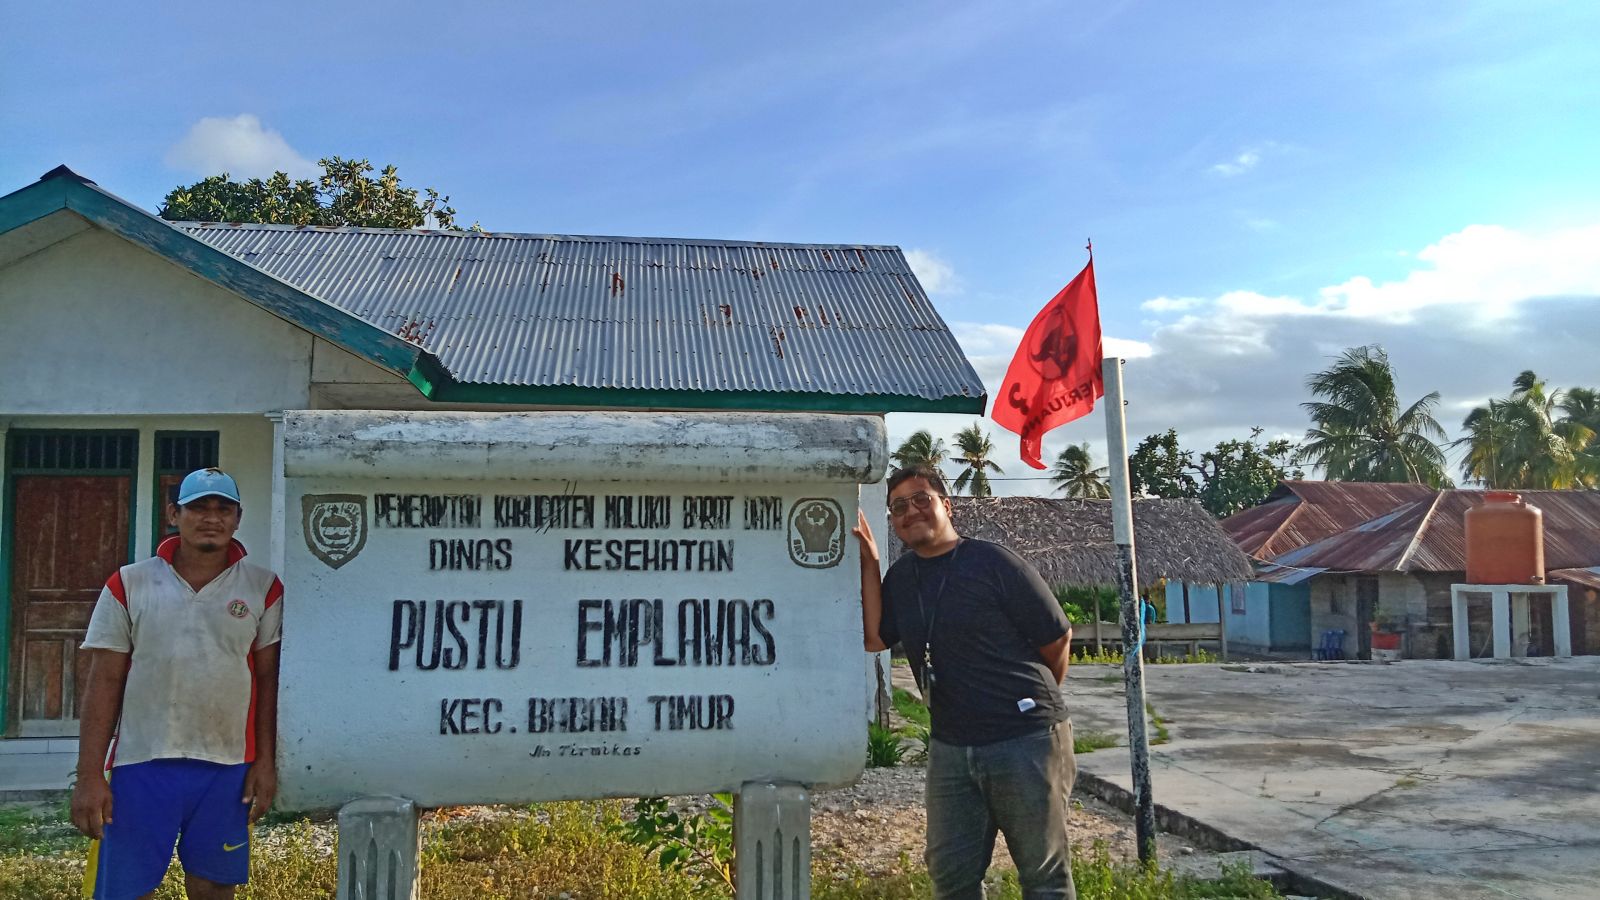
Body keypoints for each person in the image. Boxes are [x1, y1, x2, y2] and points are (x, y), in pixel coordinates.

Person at [855, 464, 1076, 900]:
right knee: (951, 876)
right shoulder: (901, 579)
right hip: (951, 748)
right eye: (898, 506)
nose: (911, 511)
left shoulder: (993, 562)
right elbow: (875, 638)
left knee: (1043, 878)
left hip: (1025, 739)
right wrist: (872, 561)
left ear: (945, 504)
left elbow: (1057, 638)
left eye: (922, 498)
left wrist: (1030, 702)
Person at [73, 468, 283, 900]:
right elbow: (104, 680)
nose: (211, 518)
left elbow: (268, 681)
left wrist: (265, 762)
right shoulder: (129, 583)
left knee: (213, 884)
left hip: (228, 766)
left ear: (238, 518)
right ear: (174, 513)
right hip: (142, 763)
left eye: (223, 508)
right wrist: (90, 775)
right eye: (198, 507)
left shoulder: (263, 587)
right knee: (127, 888)